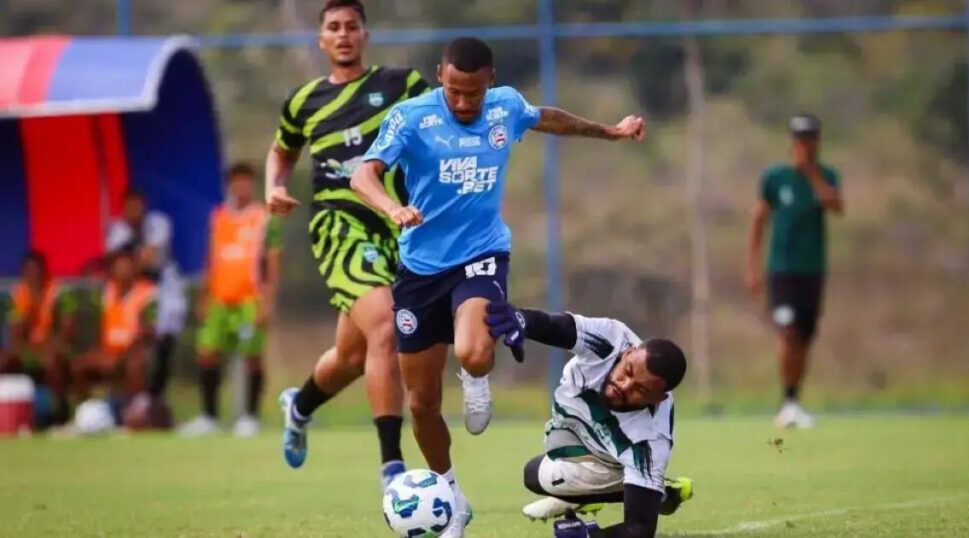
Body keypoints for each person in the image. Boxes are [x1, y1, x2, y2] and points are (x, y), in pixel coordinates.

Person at [350, 36, 646, 536]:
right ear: (440, 74)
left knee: (474, 350)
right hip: (419, 271)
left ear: (491, 79)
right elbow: (364, 175)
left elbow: (547, 117)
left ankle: (476, 374)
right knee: (421, 403)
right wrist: (392, 208)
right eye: (454, 92)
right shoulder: (412, 117)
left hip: (482, 255)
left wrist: (610, 132)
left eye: (474, 93)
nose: (464, 103)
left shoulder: (506, 106)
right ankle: (452, 495)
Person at [267, 0, 430, 484]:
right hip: (339, 227)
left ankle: (299, 406)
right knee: (386, 328)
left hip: (399, 227)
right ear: (320, 39)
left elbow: (443, 119)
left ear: (365, 35)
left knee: (354, 357)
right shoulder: (303, 102)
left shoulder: (401, 86)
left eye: (351, 27)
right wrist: (274, 187)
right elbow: (281, 152)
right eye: (333, 27)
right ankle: (391, 465)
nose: (343, 35)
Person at [484, 301, 692, 538]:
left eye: (640, 390)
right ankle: (646, 492)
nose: (623, 387)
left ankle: (657, 492)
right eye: (628, 372)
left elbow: (640, 529)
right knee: (540, 467)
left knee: (534, 474)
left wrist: (588, 537)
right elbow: (559, 326)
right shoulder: (610, 340)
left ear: (658, 399)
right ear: (629, 352)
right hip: (573, 421)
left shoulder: (650, 442)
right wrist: (522, 320)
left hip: (609, 459)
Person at [745, 113, 843, 429]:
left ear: (817, 142)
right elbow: (759, 219)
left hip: (812, 270)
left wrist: (812, 175)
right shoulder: (776, 178)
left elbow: (836, 206)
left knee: (804, 336)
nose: (804, 145)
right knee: (786, 332)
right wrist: (753, 267)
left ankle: (794, 400)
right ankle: (787, 402)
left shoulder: (826, 176)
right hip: (782, 269)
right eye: (799, 139)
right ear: (792, 142)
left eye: (810, 139)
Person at [178, 163, 282, 437]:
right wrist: (204, 295)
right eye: (237, 182)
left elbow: (272, 260)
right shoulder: (219, 217)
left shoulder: (263, 217)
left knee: (252, 356)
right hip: (219, 299)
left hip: (250, 299)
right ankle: (209, 417)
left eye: (246, 182)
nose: (242, 187)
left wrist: (268, 301)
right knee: (207, 353)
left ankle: (250, 417)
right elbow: (211, 258)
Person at [106, 188, 187, 404]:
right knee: (133, 340)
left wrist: (129, 263)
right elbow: (114, 263)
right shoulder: (118, 230)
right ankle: (132, 398)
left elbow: (144, 260)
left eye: (138, 207)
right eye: (129, 207)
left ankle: (155, 395)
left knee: (164, 335)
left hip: (163, 286)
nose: (134, 212)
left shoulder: (158, 224)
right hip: (136, 290)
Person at [71, 249, 156, 407]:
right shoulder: (105, 293)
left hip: (132, 351)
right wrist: (100, 352)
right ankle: (90, 411)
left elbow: (149, 331)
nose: (123, 271)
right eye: (119, 267)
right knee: (78, 365)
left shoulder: (146, 292)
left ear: (135, 269)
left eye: (127, 267)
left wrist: (121, 355)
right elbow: (98, 328)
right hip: (108, 350)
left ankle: (133, 415)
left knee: (134, 365)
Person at [0, 251, 75, 426]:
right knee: (3, 360)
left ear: (45, 272)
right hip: (26, 349)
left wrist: (46, 347)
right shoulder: (16, 296)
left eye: (37, 272)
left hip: (53, 347)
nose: (33, 277)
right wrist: (30, 309)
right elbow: (16, 337)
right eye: (28, 272)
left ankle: (58, 416)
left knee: (53, 362)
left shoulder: (60, 294)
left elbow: (66, 333)